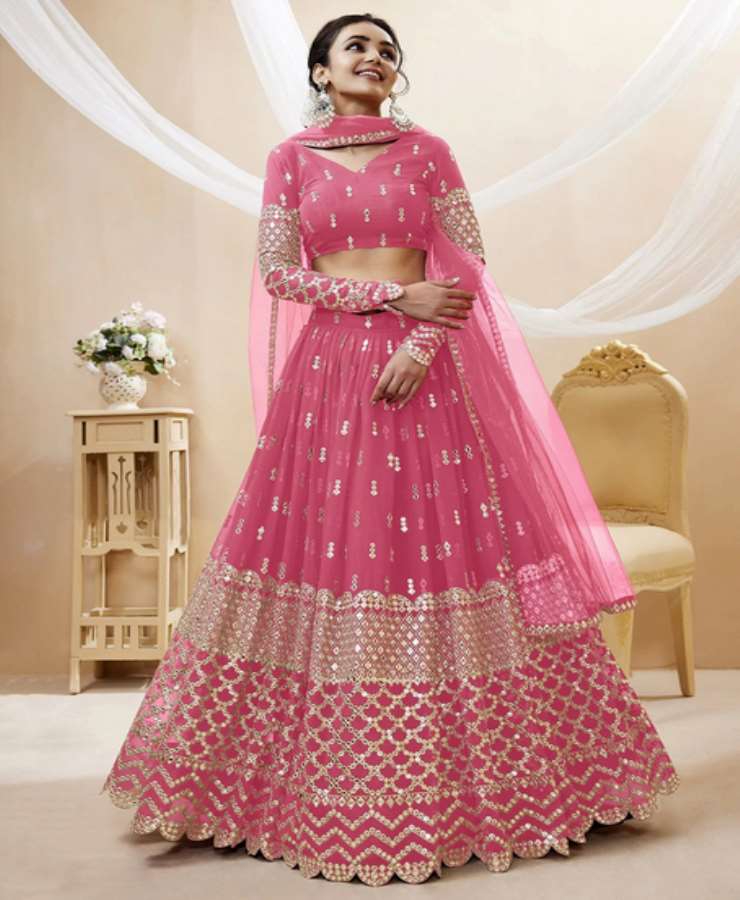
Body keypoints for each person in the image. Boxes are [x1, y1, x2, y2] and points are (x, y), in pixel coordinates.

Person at [101, 14, 680, 886]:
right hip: (330, 374)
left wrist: (421, 340)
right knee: (331, 547)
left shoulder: (428, 152)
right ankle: (275, 785)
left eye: (386, 50)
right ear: (321, 71)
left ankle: (519, 780)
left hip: (427, 371)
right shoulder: (291, 160)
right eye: (356, 47)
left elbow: (468, 263)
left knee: (448, 549)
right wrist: (387, 299)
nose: (375, 58)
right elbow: (279, 273)